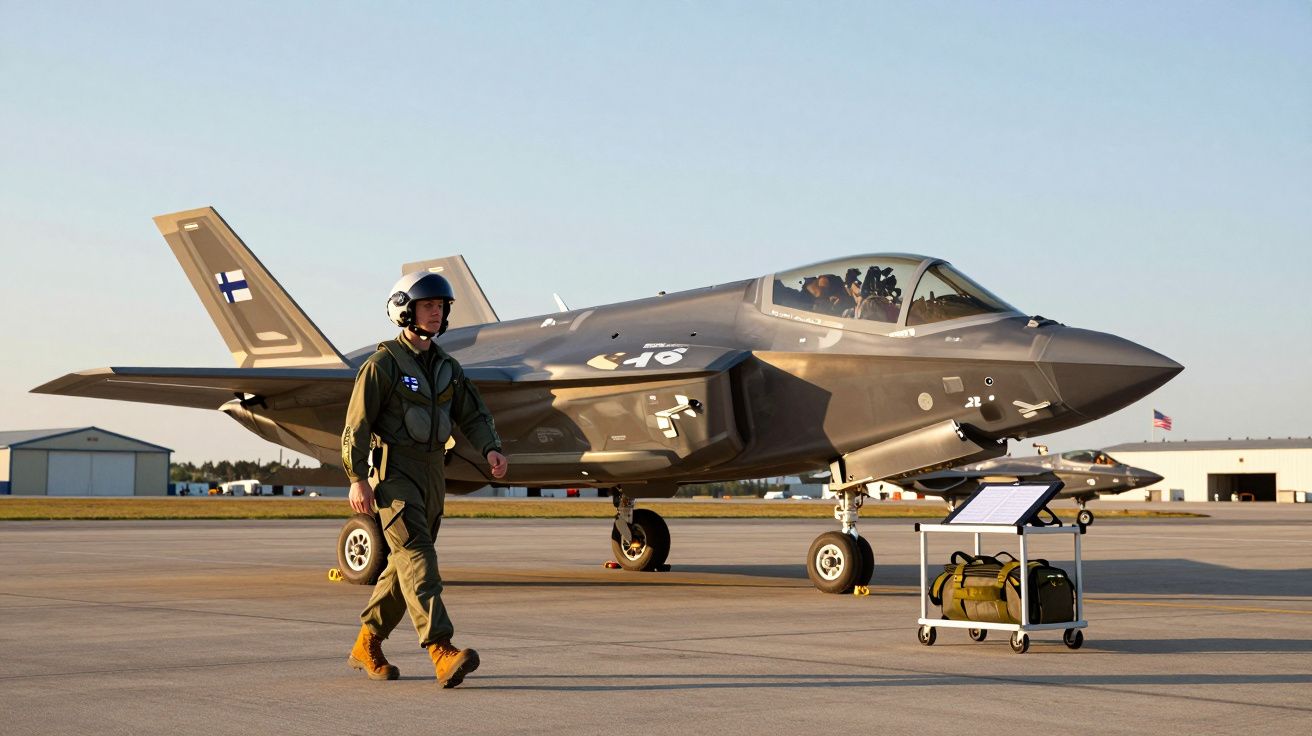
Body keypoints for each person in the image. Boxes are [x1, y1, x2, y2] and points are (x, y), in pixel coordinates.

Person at [341, 271, 509, 688]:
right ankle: (440, 649)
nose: (436, 313)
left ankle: (367, 643)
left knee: (403, 569)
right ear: (405, 309)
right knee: (418, 557)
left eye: (440, 306)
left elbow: (472, 413)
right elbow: (356, 426)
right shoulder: (382, 365)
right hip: (394, 474)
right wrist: (356, 478)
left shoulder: (448, 368)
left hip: (434, 473)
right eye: (428, 306)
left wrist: (491, 448)